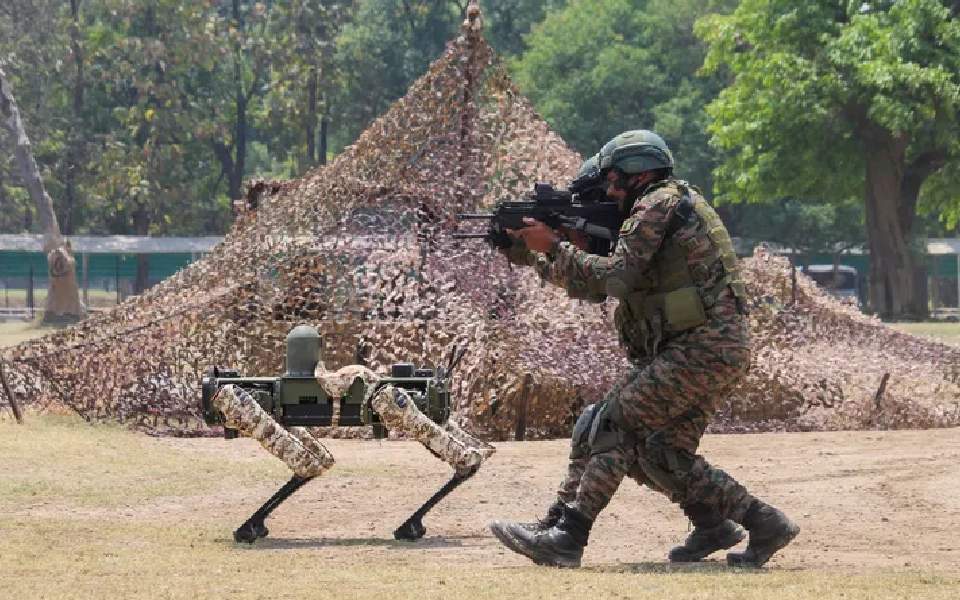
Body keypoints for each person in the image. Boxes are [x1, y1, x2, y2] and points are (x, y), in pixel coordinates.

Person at [490, 130, 799, 568]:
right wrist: (528, 253)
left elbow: (614, 277)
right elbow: (593, 286)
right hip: (701, 348)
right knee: (658, 453)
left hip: (702, 348)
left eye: (615, 182)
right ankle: (742, 524)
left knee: (612, 423)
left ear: (639, 173)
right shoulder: (655, 205)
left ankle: (568, 535)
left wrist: (555, 246)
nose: (611, 192)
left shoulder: (658, 204)